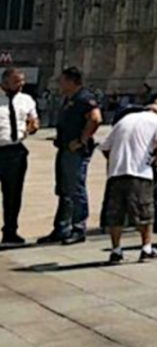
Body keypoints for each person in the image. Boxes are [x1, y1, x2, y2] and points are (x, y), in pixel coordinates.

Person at [99, 102, 157, 264]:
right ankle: (146, 248)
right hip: (140, 172)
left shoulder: (124, 120)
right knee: (145, 211)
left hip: (116, 172)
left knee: (116, 214)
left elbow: (105, 147)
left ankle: (116, 251)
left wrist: (115, 161)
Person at [39, 67, 102, 246]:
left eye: (62, 80)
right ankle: (61, 227)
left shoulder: (84, 98)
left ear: (71, 81)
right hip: (64, 149)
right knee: (64, 190)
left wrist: (82, 140)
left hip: (76, 151)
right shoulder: (70, 99)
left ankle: (78, 228)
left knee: (76, 189)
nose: (59, 84)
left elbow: (95, 118)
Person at [0, 68, 39, 246]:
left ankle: (10, 231)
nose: (21, 84)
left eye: (22, 81)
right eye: (17, 81)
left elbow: (33, 120)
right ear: (5, 81)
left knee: (13, 194)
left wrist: (32, 126)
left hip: (15, 151)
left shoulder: (26, 100)